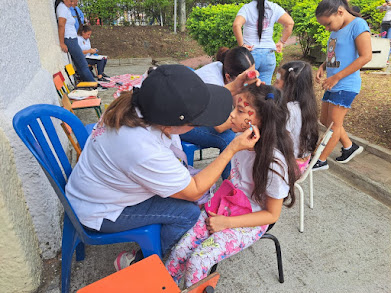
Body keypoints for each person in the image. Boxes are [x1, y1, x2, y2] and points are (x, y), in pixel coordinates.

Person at [65, 64, 261, 271]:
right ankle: (139, 262)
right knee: (188, 213)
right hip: (100, 209)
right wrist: (231, 149)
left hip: (94, 186)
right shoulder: (142, 148)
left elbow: (188, 99)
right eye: (196, 123)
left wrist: (235, 86)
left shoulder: (148, 96)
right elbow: (194, 191)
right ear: (170, 126)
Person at [165, 84, 298, 288]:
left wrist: (226, 223)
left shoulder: (274, 164)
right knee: (179, 252)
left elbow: (271, 215)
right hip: (225, 207)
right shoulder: (238, 141)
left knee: (197, 262)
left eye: (240, 111)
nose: (232, 115)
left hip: (250, 220)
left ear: (257, 120)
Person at [180, 46, 255, 180]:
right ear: (229, 77)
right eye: (245, 78)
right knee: (230, 138)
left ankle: (242, 178)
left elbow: (236, 100)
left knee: (241, 127)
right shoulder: (213, 81)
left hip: (198, 114)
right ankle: (231, 189)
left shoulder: (226, 68)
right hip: (182, 123)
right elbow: (219, 126)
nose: (249, 80)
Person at [314, 0, 372, 170]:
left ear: (340, 12)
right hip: (334, 82)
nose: (327, 28)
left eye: (328, 23)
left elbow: (366, 56)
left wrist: (336, 77)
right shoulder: (336, 29)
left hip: (346, 84)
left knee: (333, 125)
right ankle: (349, 146)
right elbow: (334, 54)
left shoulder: (358, 25)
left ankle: (320, 160)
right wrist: (323, 67)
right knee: (326, 120)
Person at [233, 0, 294, 85]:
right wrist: (281, 42)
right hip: (268, 56)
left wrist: (242, 45)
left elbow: (236, 25)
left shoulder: (246, 8)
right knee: (264, 89)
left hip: (250, 56)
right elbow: (290, 23)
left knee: (247, 89)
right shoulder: (273, 7)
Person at [274, 61, 319, 173]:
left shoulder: (289, 110)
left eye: (277, 80)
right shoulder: (307, 105)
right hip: (302, 163)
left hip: (289, 167)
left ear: (289, 84)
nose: (274, 84)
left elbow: (280, 142)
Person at [55, 0, 95, 82]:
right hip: (69, 39)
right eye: (71, 1)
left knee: (80, 65)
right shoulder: (62, 8)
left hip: (72, 38)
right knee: (83, 64)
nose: (72, 3)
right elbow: (61, 25)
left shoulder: (66, 8)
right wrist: (62, 43)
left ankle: (88, 84)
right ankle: (93, 84)